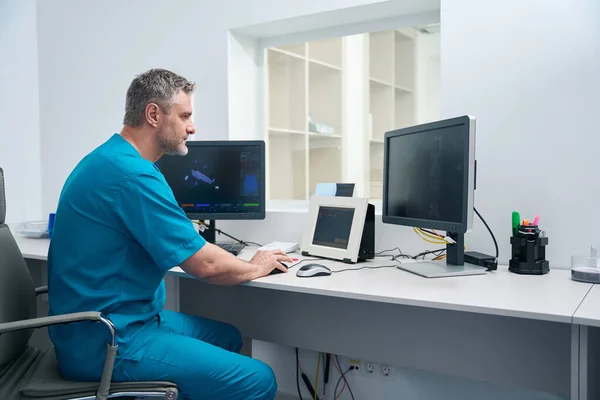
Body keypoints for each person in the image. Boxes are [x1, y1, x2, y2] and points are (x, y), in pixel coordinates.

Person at [47, 68, 291, 400]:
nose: (192, 127)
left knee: (228, 336)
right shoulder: (133, 175)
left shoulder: (107, 158)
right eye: (185, 116)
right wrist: (257, 265)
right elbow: (206, 265)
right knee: (259, 379)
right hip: (110, 340)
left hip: (109, 323)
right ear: (153, 114)